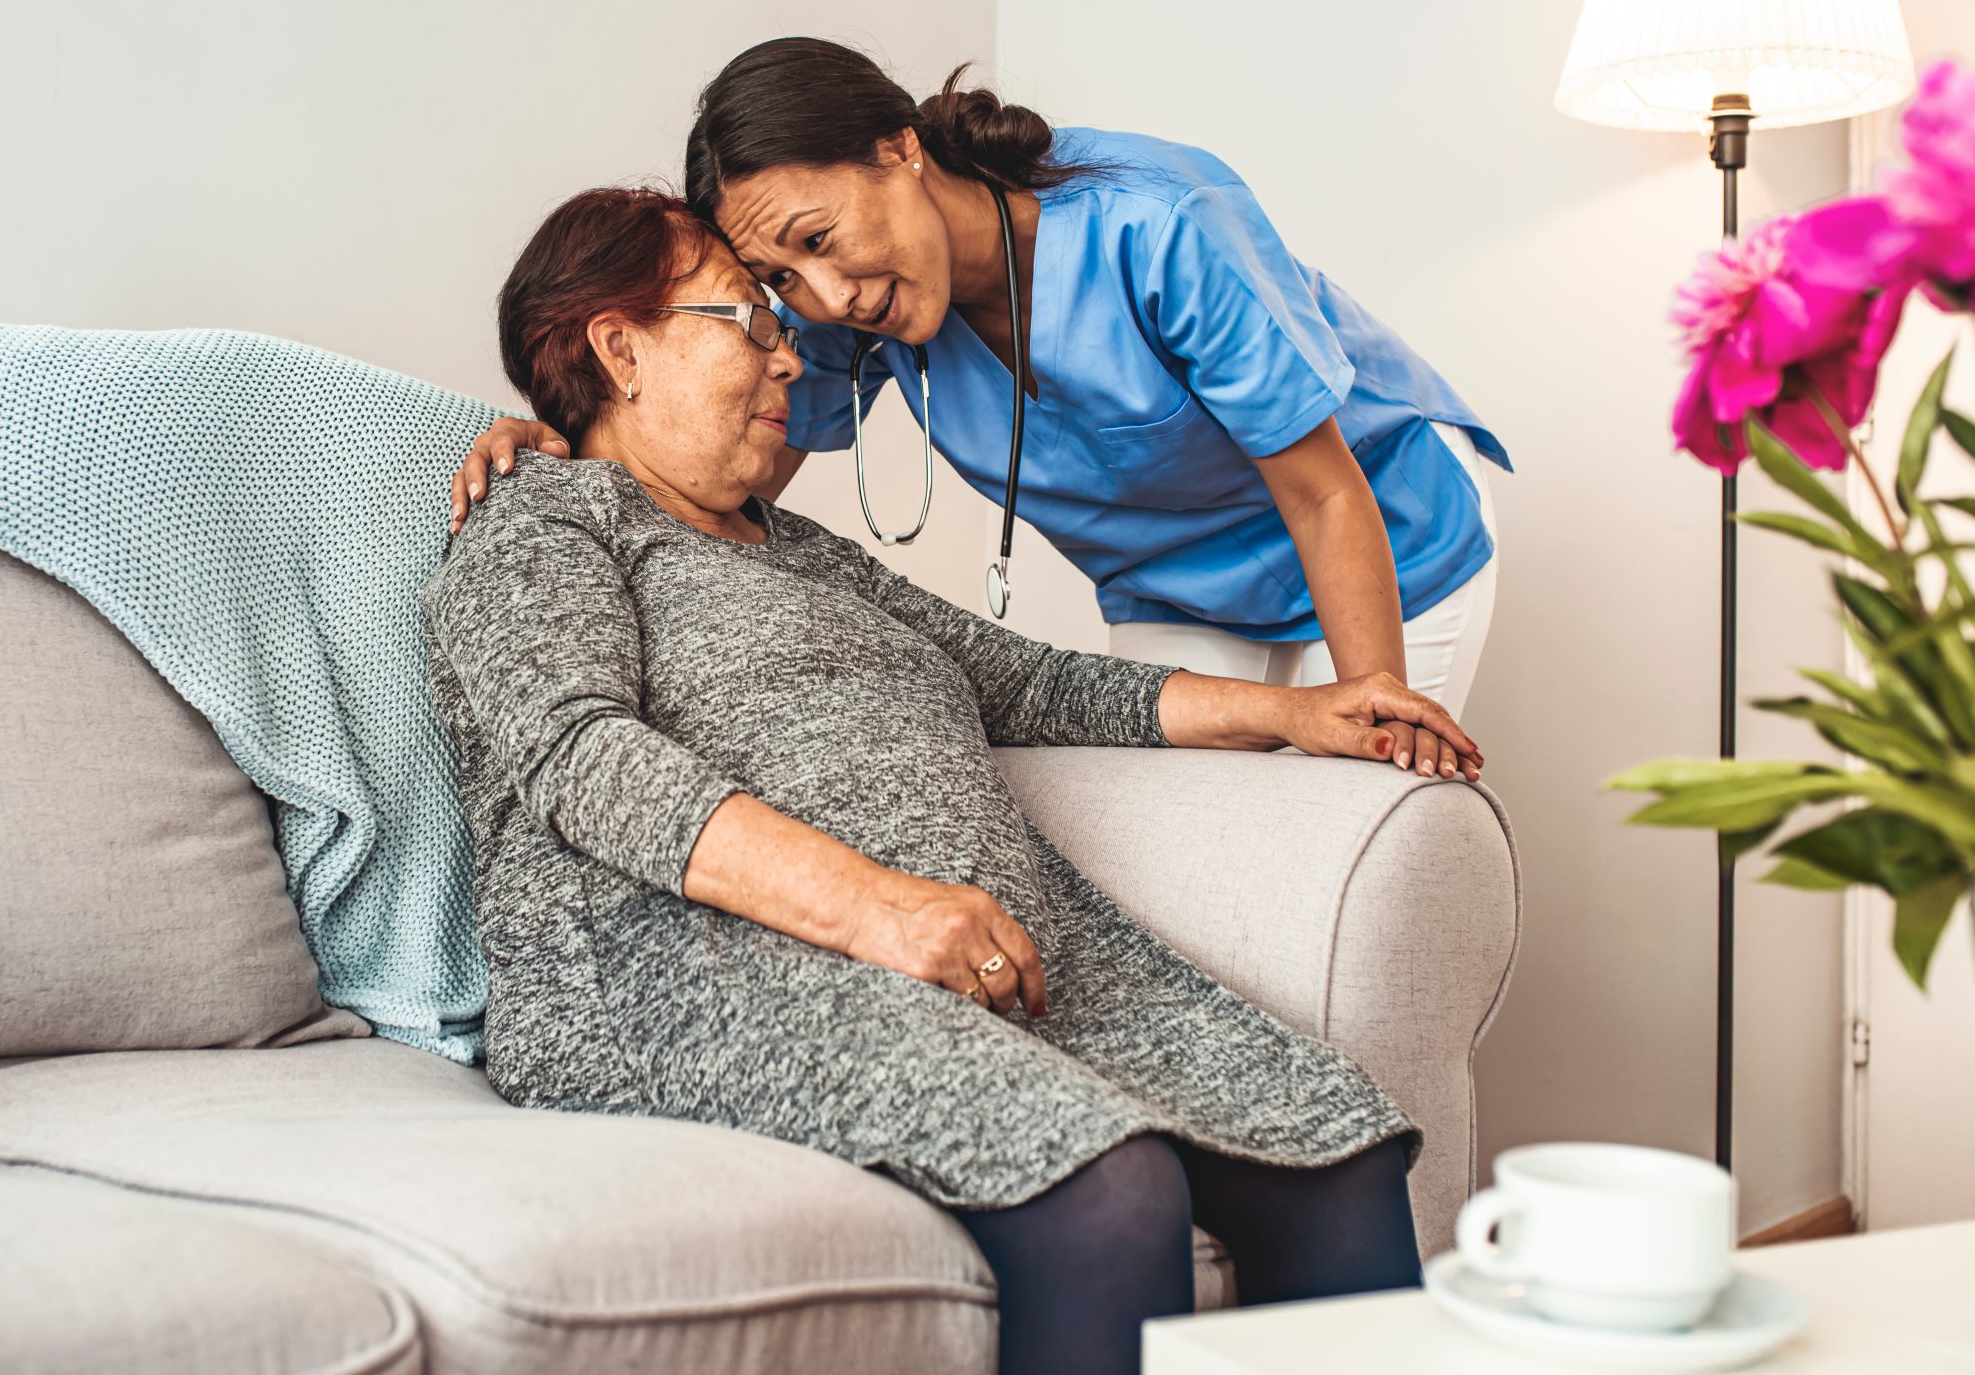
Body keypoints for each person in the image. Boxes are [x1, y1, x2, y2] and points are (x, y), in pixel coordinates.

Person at [424, 188, 1483, 1375]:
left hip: (953, 944)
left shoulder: (796, 543)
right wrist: (880, 905)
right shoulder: (542, 518)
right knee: (1108, 1188)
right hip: (676, 964)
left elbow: (1024, 682)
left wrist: (1298, 711)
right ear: (622, 348)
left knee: (1329, 1147)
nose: (790, 356)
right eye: (751, 322)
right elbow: (578, 752)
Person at [455, 40, 1508, 780]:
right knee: (1191, 850)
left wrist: (1371, 711)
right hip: (1171, 594)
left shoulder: (1160, 223)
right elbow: (723, 475)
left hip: (1386, 542)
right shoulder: (840, 315)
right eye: (781, 283)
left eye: (818, 241)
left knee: (1352, 825)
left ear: (897, 149)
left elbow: (1323, 495)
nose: (824, 301)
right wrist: (567, 448)